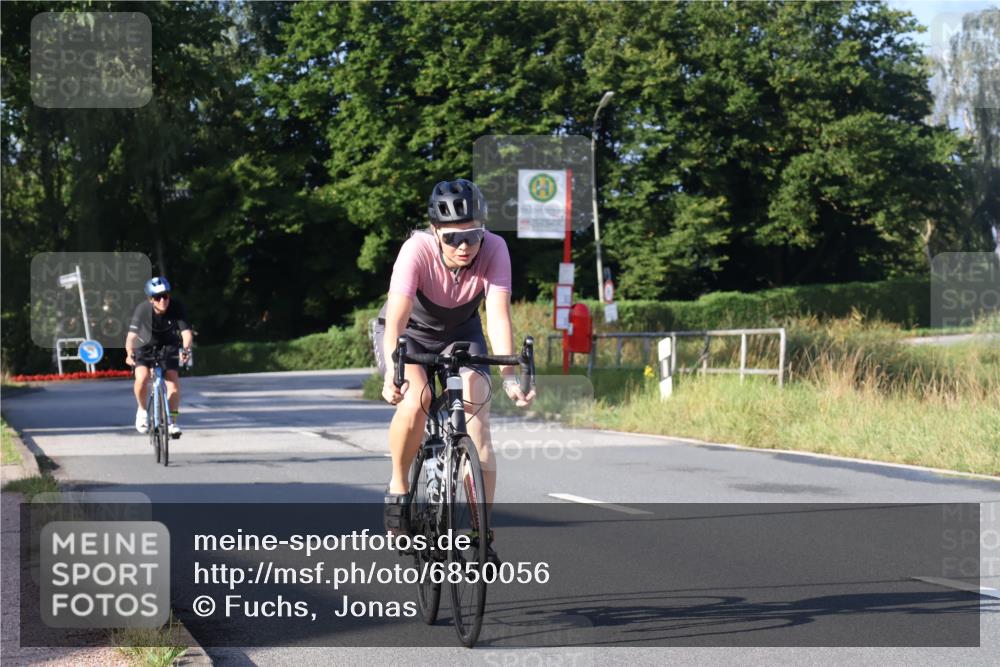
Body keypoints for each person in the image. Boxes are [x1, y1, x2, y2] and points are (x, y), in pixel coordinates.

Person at [373, 179, 535, 556]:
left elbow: (496, 315)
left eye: (473, 235)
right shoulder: (416, 250)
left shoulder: (495, 248)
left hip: (462, 331)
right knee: (417, 401)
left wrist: (509, 376)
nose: (464, 246)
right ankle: (399, 487)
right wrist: (389, 375)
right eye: (452, 239)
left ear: (484, 229)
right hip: (408, 335)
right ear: (435, 232)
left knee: (478, 433)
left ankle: (482, 535)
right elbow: (395, 319)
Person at [125, 277, 193, 437]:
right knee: (141, 378)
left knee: (173, 384)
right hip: (145, 346)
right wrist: (129, 353)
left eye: (165, 296)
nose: (163, 300)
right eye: (157, 297)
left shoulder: (176, 307)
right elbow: (131, 337)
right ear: (151, 299)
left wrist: (186, 349)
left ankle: (172, 423)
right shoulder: (142, 309)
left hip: (168, 346)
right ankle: (142, 411)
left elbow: (186, 333)